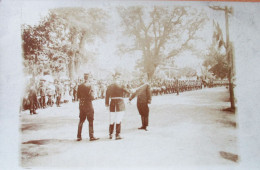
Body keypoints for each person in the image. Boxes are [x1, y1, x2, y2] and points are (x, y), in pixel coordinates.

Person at [105, 72, 130, 140]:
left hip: (112, 104)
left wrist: (107, 104)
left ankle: (110, 134)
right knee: (118, 119)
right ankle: (117, 135)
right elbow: (128, 92)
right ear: (118, 78)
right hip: (120, 104)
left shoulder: (110, 86)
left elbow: (107, 96)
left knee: (112, 119)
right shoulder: (121, 85)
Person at [77, 73, 99, 141]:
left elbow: (78, 96)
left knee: (81, 120)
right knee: (90, 120)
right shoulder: (91, 86)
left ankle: (79, 136)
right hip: (88, 104)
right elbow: (92, 97)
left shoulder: (80, 86)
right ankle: (91, 136)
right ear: (89, 78)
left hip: (81, 104)